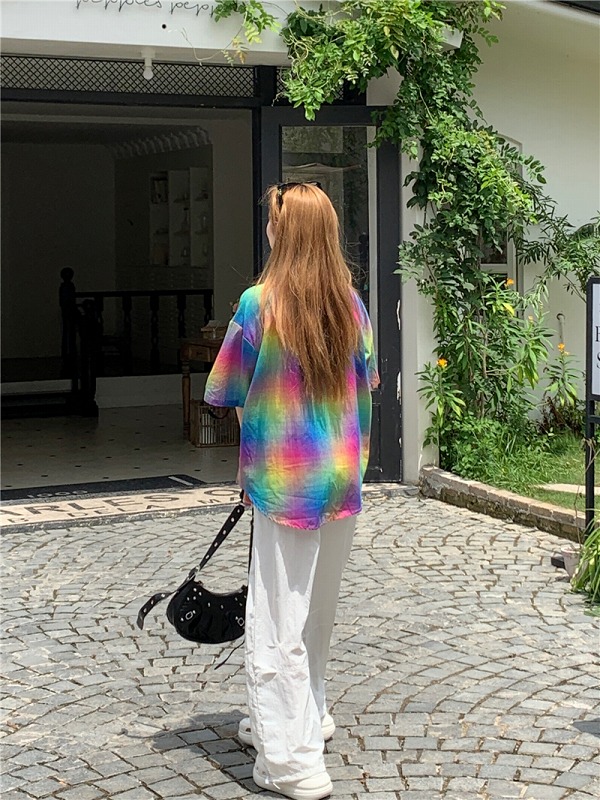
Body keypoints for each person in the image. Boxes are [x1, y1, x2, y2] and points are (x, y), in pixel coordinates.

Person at [203, 182, 379, 800]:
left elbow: (227, 389)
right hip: (341, 474)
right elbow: (366, 382)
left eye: (273, 221)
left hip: (285, 481)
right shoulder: (350, 304)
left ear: (286, 232)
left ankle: (291, 761)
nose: (268, 230)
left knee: (278, 616)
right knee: (317, 612)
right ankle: (308, 715)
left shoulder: (259, 304)